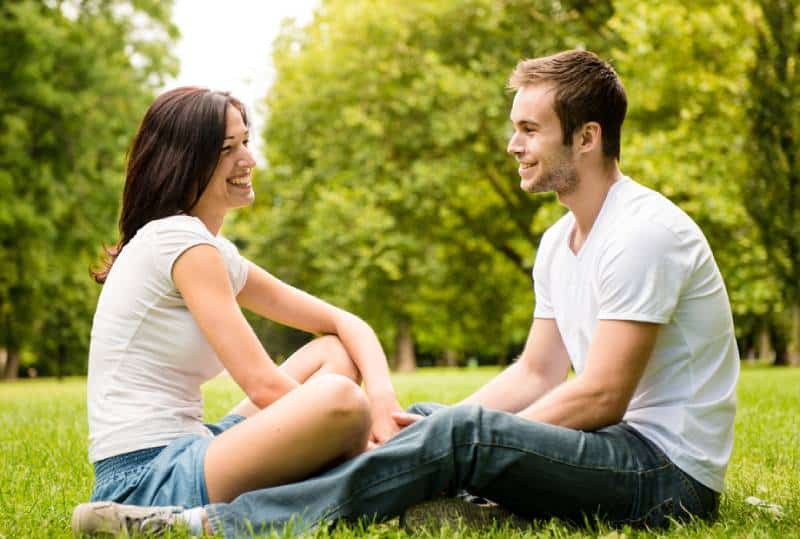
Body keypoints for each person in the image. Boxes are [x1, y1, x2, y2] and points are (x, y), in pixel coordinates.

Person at [72, 50, 739, 537]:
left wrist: (457, 440)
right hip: (609, 446)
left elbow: (601, 394)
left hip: (661, 471)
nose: (512, 145)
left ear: (587, 137)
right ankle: (432, 485)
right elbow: (536, 371)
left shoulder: (642, 232)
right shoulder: (558, 244)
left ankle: (217, 525)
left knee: (454, 433)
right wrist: (430, 427)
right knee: (426, 419)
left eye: (529, 130)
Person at [71, 87, 405, 534]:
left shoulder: (210, 250)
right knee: (341, 401)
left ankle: (333, 469)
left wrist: (382, 400)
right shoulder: (179, 240)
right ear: (184, 161)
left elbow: (344, 323)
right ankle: (176, 522)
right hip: (145, 479)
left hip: (194, 446)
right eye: (227, 149)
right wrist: (369, 442)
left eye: (245, 142)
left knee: (332, 355)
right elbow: (264, 385)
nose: (247, 160)